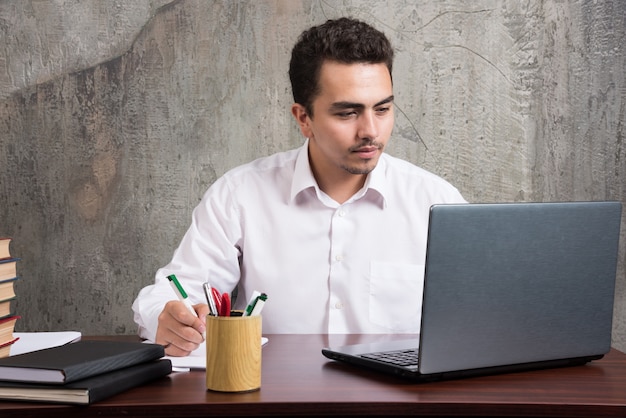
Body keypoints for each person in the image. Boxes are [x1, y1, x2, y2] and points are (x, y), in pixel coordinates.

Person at [132, 17, 466, 356]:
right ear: (303, 118)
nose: (370, 130)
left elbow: (475, 314)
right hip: (268, 400)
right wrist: (166, 316)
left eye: (382, 109)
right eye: (348, 113)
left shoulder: (436, 202)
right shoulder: (240, 195)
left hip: (399, 404)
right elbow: (173, 293)